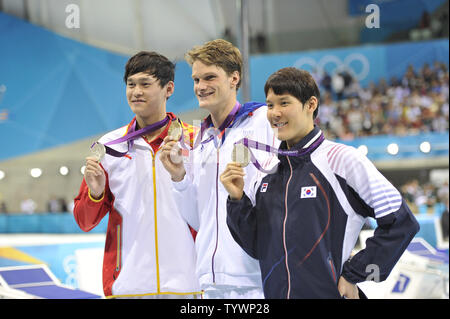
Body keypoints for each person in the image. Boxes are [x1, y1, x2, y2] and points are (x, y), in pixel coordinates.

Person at [221, 67, 420, 299]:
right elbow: (258, 247)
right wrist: (237, 201)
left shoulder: (342, 160)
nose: (275, 112)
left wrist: (354, 274)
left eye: (284, 103)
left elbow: (402, 222)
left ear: (311, 104)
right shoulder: (266, 170)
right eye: (271, 105)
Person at [73, 51, 201, 299]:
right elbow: (84, 221)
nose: (136, 91)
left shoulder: (196, 141)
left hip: (189, 284)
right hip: (128, 287)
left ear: (169, 88)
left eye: (145, 84)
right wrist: (96, 193)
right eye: (131, 84)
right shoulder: (110, 146)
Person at [160, 39, 279, 298]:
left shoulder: (264, 122)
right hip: (210, 280)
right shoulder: (201, 139)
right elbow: (198, 217)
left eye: (210, 77)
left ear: (234, 78)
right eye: (196, 80)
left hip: (256, 279)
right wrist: (178, 177)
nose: (200, 87)